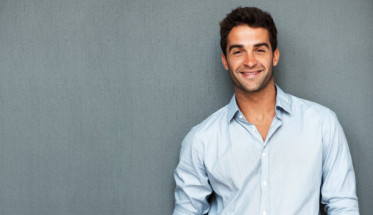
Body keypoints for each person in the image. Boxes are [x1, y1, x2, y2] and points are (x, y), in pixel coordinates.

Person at [172, 6, 359, 215]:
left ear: (275, 56)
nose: (250, 61)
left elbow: (344, 207)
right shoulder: (201, 140)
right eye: (238, 51)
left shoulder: (322, 124)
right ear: (225, 60)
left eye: (259, 50)